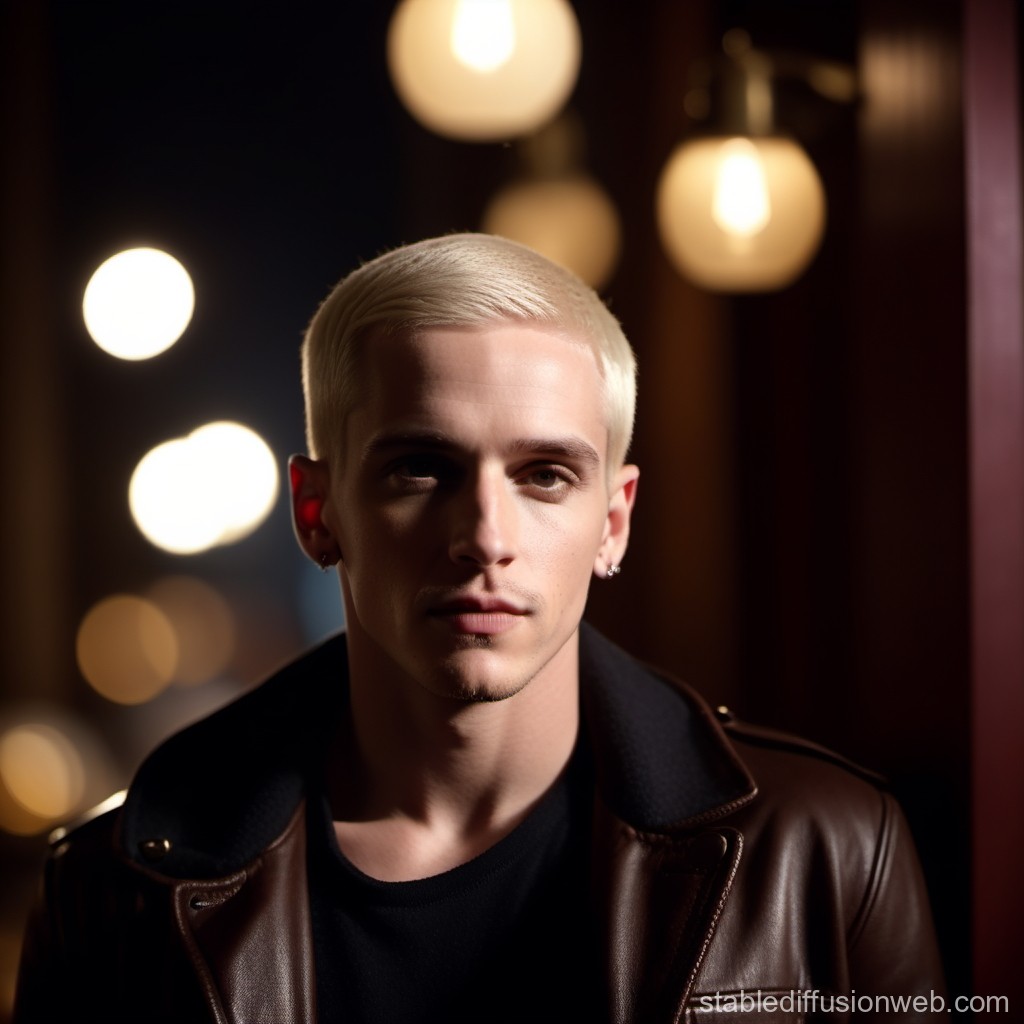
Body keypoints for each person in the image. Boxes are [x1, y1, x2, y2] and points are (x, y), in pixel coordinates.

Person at [15, 234, 945, 1023]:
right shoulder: (118, 889)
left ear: (613, 522)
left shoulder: (831, 848)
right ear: (317, 511)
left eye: (544, 475)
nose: (484, 540)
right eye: (421, 469)